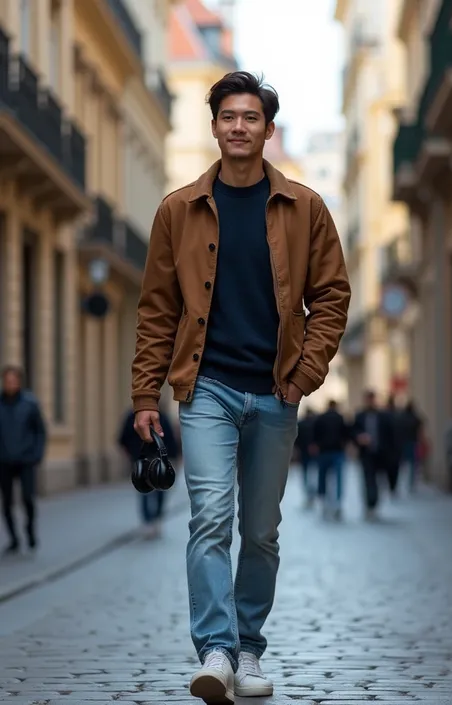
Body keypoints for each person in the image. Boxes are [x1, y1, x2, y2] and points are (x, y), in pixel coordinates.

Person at [131, 71, 350, 704]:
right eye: (228, 116)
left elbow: (332, 296)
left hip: (277, 392)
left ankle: (249, 646)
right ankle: (218, 651)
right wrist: (147, 394)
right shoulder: (179, 210)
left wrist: (306, 373)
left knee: (260, 532)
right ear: (214, 127)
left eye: (250, 117)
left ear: (267, 129)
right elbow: (156, 309)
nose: (239, 127)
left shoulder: (305, 208)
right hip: (208, 389)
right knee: (210, 519)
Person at [0, 365, 46, 554]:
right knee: (7, 502)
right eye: (7, 380)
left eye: (14, 380)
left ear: (19, 382)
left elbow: (40, 432)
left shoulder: (30, 404)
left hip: (26, 460)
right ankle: (13, 539)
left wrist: (36, 455)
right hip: (4, 461)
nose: (11, 384)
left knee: (28, 498)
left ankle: (30, 531)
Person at [118, 406, 179, 539]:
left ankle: (153, 520)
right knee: (147, 491)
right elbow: (123, 438)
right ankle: (150, 521)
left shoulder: (160, 416)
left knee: (154, 491)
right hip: (147, 461)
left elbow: (170, 441)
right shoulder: (134, 417)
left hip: (152, 461)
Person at [352, 390, 394, 520]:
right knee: (368, 480)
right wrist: (359, 438)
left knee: (378, 481)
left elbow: (390, 434)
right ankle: (369, 505)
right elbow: (353, 431)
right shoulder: (360, 416)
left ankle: (374, 503)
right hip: (366, 455)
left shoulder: (383, 416)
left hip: (380, 454)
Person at [313, 400, 349, 520]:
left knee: (322, 477)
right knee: (338, 478)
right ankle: (337, 503)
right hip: (337, 451)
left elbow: (315, 434)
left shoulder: (321, 418)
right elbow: (345, 434)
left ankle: (323, 501)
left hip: (323, 451)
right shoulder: (340, 418)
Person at [294, 409, 319, 507]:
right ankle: (310, 494)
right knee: (312, 475)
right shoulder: (314, 424)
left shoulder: (302, 424)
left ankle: (309, 495)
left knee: (307, 475)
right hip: (311, 454)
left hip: (304, 453)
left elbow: (296, 439)